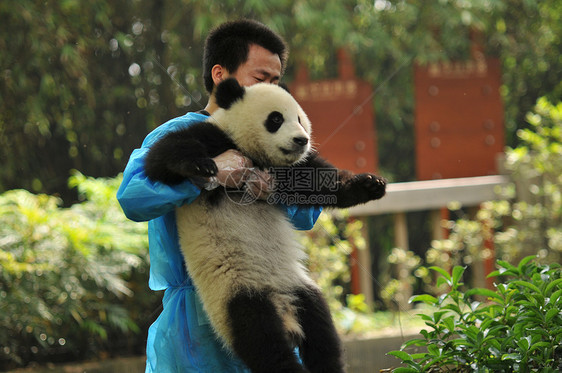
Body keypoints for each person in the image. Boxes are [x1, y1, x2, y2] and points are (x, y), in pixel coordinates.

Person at [117, 19, 322, 373]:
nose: (271, 89)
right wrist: (207, 174)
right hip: (194, 326)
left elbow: (308, 214)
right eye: (261, 79)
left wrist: (276, 190)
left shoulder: (277, 136)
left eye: (276, 81)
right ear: (219, 75)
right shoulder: (178, 135)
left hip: (270, 312)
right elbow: (133, 198)